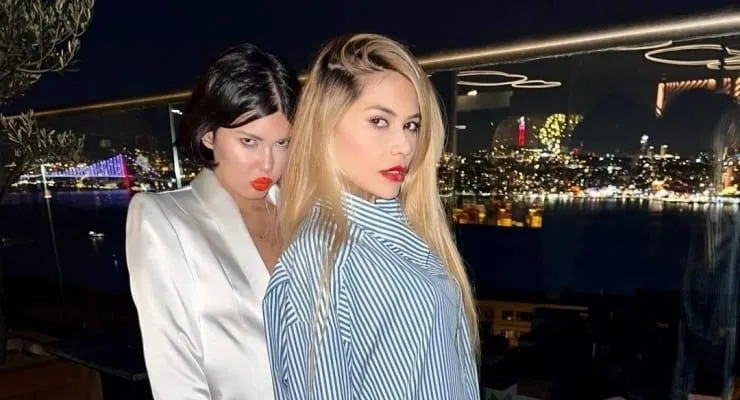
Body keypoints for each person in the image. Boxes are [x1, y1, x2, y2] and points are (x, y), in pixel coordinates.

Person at [263, 33, 480, 399]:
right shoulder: (321, 256)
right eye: (379, 121)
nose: (405, 145)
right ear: (326, 125)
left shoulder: (404, 230)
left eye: (411, 125)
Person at [126, 43, 300, 400]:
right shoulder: (164, 220)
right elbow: (175, 378)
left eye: (282, 143)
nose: (268, 164)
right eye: (249, 141)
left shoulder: (303, 215)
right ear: (208, 134)